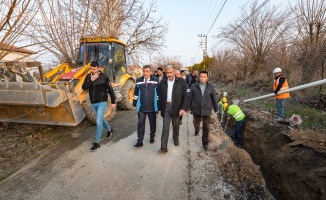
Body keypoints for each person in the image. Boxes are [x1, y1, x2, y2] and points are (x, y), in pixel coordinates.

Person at [82, 61, 116, 152]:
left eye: (95, 69)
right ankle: (109, 130)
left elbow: (110, 90)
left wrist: (113, 102)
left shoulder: (104, 77)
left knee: (98, 121)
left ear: (98, 68)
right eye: (91, 69)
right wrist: (91, 80)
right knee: (100, 119)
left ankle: (96, 143)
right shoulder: (88, 77)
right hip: (93, 102)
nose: (93, 70)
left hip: (102, 102)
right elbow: (84, 87)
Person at [158, 65, 187, 153]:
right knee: (165, 127)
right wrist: (159, 108)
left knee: (176, 125)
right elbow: (160, 96)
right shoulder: (163, 82)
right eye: (167, 73)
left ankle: (175, 138)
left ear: (174, 72)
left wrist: (183, 108)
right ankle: (163, 147)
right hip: (166, 107)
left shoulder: (181, 81)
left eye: (171, 72)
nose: (169, 74)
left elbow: (185, 96)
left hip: (177, 107)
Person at [187, 71, 218, 150]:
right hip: (196, 108)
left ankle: (205, 143)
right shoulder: (194, 86)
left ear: (207, 78)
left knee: (206, 127)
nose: (203, 78)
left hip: (206, 109)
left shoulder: (211, 87)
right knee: (196, 123)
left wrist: (216, 109)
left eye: (204, 77)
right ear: (199, 77)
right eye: (201, 76)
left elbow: (214, 99)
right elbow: (190, 97)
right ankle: (197, 129)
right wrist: (188, 107)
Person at [133, 65, 159, 147]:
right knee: (140, 123)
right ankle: (140, 140)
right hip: (141, 107)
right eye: (144, 71)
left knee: (152, 123)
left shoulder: (156, 80)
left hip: (152, 107)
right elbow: (136, 93)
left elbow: (158, 94)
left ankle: (152, 137)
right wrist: (134, 103)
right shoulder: (138, 81)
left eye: (147, 71)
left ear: (150, 72)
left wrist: (159, 106)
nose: (145, 73)